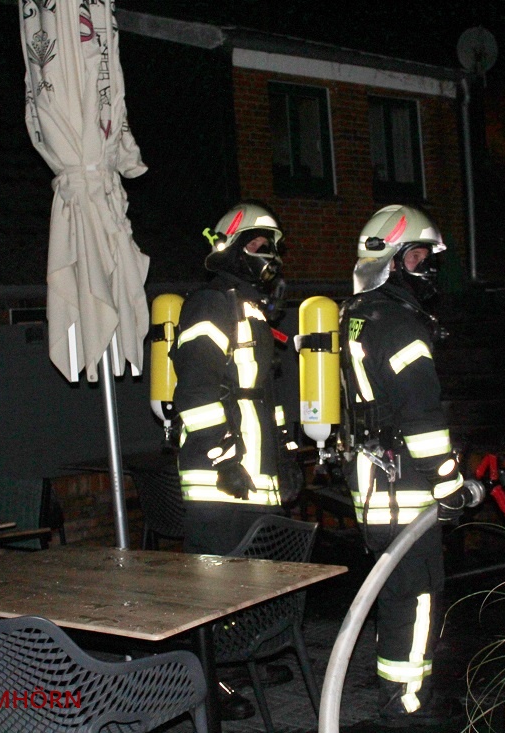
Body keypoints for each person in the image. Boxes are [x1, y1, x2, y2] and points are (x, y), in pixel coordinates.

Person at [338, 204, 469, 727]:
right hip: (405, 486)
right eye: (416, 256)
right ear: (390, 261)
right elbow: (421, 414)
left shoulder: (358, 313)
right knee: (415, 598)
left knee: (395, 596)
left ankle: (398, 694)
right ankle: (408, 705)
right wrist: (449, 483)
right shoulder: (398, 323)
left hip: (375, 481)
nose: (425, 267)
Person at [170, 201, 300, 718]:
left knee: (250, 581)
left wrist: (286, 456)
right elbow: (195, 388)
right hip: (219, 477)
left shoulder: (251, 308)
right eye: (258, 244)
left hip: (255, 472)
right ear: (230, 247)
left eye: (272, 247)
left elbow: (263, 397)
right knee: (214, 586)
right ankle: (209, 681)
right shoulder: (210, 303)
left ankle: (241, 659)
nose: (268, 255)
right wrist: (223, 457)